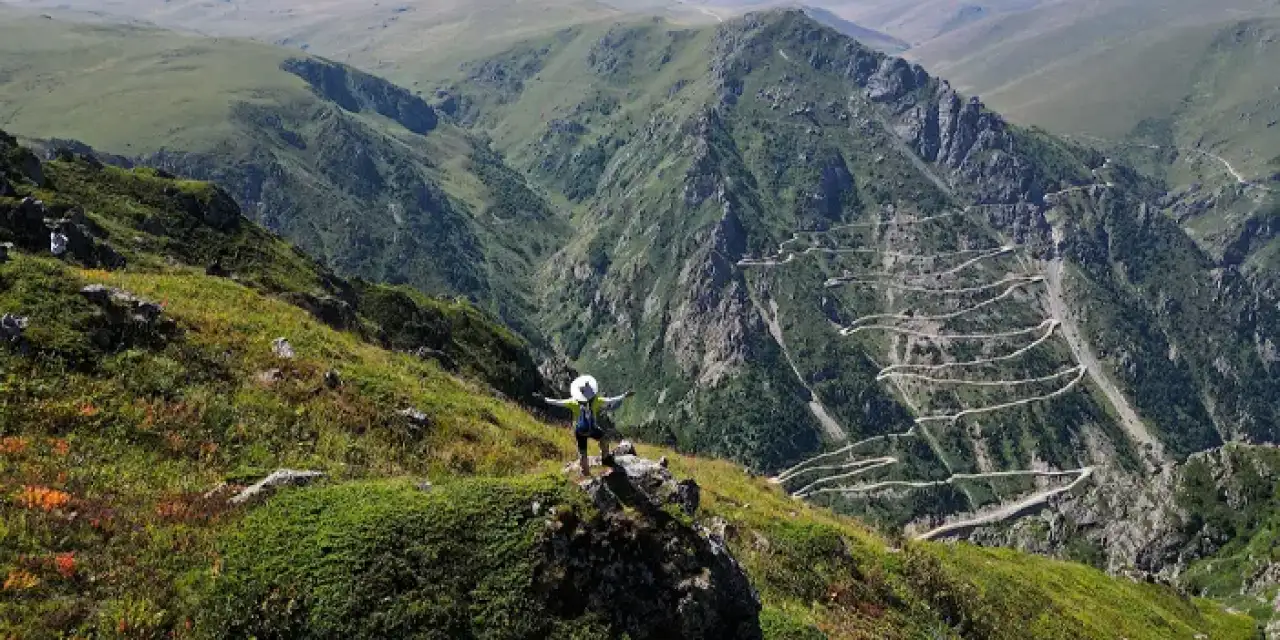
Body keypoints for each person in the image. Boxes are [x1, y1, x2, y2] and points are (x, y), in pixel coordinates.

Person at [535, 375, 633, 476]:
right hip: (593, 428)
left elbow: (557, 402)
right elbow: (610, 400)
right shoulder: (595, 400)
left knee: (583, 453)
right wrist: (624, 395)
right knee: (604, 439)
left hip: (580, 431)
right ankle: (605, 459)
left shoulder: (573, 402)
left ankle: (585, 473)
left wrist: (544, 399)